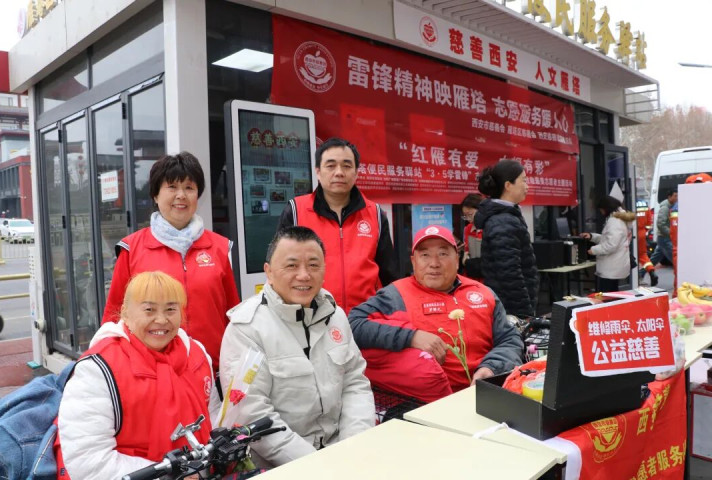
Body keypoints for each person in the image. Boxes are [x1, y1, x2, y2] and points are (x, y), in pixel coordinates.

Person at [219, 226, 375, 467]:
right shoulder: (246, 329)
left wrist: (353, 447)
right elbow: (252, 414)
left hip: (342, 452)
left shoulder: (335, 316)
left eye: (313, 265)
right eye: (291, 266)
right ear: (269, 272)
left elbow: (354, 383)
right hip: (281, 465)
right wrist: (318, 466)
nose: (304, 275)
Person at [56, 272, 217, 480]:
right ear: (125, 313)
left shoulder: (197, 356)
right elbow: (87, 461)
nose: (161, 320)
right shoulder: (97, 370)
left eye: (170, 309)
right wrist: (169, 476)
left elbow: (213, 419)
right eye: (149, 310)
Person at [348, 225, 523, 403]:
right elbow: (353, 324)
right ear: (413, 261)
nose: (434, 263)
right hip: (425, 403)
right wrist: (411, 337)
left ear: (457, 259)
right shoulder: (396, 294)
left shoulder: (483, 293)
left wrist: (491, 368)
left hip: (486, 396)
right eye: (425, 255)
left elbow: (509, 339)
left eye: (443, 253)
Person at [102, 152, 240, 372]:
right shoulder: (132, 249)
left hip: (212, 371)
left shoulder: (220, 248)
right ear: (156, 195)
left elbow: (233, 314)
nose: (181, 195)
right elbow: (114, 316)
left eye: (189, 188)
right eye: (172, 187)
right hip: (151, 372)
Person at [277, 137, 398, 313]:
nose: (339, 172)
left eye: (347, 166)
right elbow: (280, 268)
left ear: (356, 173)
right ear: (318, 172)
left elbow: (389, 273)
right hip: (311, 316)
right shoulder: (295, 211)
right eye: (331, 165)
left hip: (365, 317)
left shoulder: (375, 214)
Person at [474, 160, 538, 317]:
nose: (527, 186)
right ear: (508, 185)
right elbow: (510, 274)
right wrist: (525, 313)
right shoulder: (503, 221)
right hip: (511, 310)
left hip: (510, 306)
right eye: (523, 180)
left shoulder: (507, 215)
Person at [580, 196, 636, 293]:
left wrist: (594, 250)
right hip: (614, 266)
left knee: (608, 296)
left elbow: (611, 245)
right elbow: (609, 239)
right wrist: (592, 236)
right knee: (612, 295)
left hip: (611, 268)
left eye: (601, 209)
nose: (601, 212)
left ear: (606, 208)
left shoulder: (615, 221)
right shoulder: (619, 218)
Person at [649, 188, 677, 269]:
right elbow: (661, 224)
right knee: (675, 259)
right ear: (669, 197)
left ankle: (641, 273)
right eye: (675, 196)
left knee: (654, 259)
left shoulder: (671, 206)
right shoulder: (665, 208)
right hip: (664, 238)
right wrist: (671, 233)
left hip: (663, 238)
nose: (677, 198)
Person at [460, 193, 484, 280]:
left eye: (470, 215)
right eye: (465, 216)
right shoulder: (468, 228)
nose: (468, 219)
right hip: (471, 274)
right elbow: (467, 251)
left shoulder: (490, 227)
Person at [635, 204, 658, 286]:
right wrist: (644, 231)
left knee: (631, 256)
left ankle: (635, 278)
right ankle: (651, 271)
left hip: (632, 233)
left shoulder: (629, 203)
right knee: (643, 255)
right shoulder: (644, 204)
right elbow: (649, 222)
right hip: (642, 233)